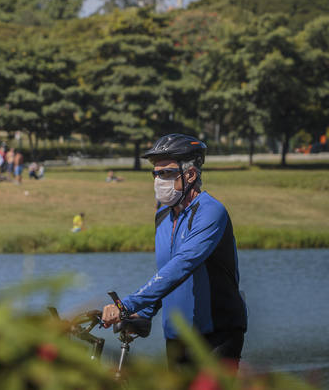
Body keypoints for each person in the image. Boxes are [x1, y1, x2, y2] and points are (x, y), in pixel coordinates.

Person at [101, 134, 247, 370]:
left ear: (190, 175)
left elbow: (183, 265)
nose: (159, 180)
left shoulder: (210, 212)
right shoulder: (163, 217)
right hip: (177, 338)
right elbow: (167, 272)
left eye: (166, 173)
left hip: (216, 336)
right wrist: (144, 312)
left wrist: (126, 305)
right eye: (155, 174)